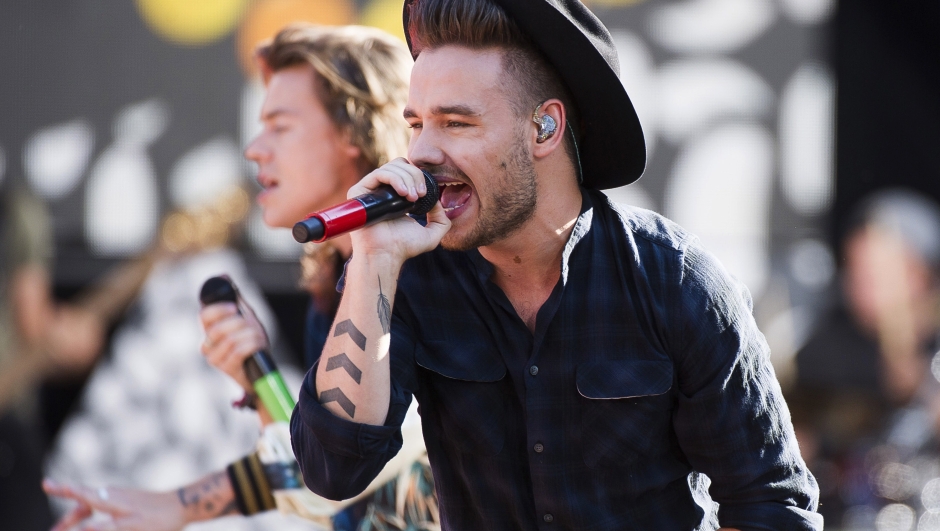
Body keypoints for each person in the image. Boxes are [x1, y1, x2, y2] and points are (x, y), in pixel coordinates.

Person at [289, 1, 822, 530]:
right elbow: (332, 469)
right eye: (416, 125)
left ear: (544, 127)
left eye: (456, 123)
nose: (423, 152)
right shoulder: (408, 275)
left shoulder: (676, 281)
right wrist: (373, 259)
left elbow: (772, 505)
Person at [44, 24, 433, 531]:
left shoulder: (423, 274)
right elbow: (323, 470)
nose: (254, 148)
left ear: (352, 134)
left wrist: (179, 505)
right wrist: (260, 381)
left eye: (280, 125)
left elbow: (352, 470)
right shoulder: (339, 279)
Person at [788, 188, 940, 525]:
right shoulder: (828, 346)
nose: (862, 284)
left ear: (920, 274)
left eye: (880, 272)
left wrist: (920, 384)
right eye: (856, 269)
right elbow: (805, 417)